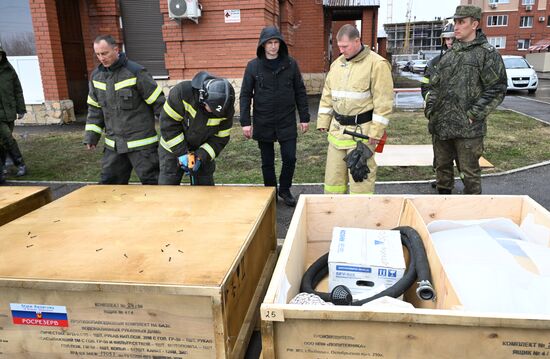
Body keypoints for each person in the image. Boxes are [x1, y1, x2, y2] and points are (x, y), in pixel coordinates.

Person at [424, 5, 507, 194]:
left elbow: (497, 88)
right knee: (442, 172)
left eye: (461, 22)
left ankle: (471, 215)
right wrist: (431, 111)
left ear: (474, 24)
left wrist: (473, 114)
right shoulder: (449, 55)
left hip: (468, 130)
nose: (456, 26)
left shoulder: (487, 54)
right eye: (455, 22)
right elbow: (434, 86)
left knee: (469, 175)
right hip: (442, 127)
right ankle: (442, 209)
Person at [317, 24, 393, 195]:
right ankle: (334, 212)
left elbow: (384, 101)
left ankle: (361, 217)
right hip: (337, 132)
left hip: (363, 134)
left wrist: (377, 131)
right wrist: (323, 120)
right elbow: (327, 95)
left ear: (357, 41)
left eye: (345, 46)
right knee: (333, 182)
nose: (341, 50)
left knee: (361, 182)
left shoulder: (377, 64)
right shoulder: (337, 65)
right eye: (339, 47)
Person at [240, 26, 310, 207]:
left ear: (280, 44)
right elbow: (245, 94)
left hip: (286, 120)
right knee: (267, 161)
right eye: (269, 43)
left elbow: (300, 91)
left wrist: (304, 117)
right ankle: (270, 191)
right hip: (263, 120)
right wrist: (245, 122)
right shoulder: (253, 66)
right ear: (263, 45)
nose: (273, 46)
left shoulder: (291, 64)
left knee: (290, 157)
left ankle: (285, 190)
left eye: (276, 42)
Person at [84, 35, 165, 185]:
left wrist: (171, 133)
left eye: (105, 53)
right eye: (98, 54)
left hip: (142, 146)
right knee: (109, 186)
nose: (101, 58)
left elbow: (159, 104)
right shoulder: (96, 77)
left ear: (116, 49)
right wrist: (91, 136)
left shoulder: (136, 72)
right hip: (113, 146)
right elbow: (95, 110)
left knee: (154, 185)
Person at [158, 71, 235, 186]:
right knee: (168, 189)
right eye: (211, 109)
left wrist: (200, 157)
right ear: (203, 98)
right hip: (172, 149)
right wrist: (182, 153)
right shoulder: (182, 93)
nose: (215, 114)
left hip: (202, 151)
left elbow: (220, 139)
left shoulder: (226, 109)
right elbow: (168, 126)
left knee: (205, 191)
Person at [0, 45, 27, 183]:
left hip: (9, 112)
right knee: (7, 138)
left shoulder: (8, 71)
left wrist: (21, 109)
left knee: (4, 141)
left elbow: (18, 90)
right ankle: (20, 164)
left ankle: (4, 166)